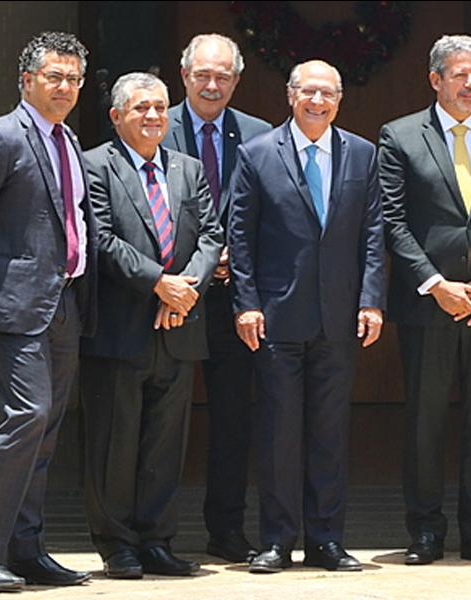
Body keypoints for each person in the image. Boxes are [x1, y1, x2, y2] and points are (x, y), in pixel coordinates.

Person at [0, 31, 95, 592]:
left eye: (73, 79)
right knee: (26, 416)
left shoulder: (69, 141)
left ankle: (26, 549)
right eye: (54, 76)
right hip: (14, 303)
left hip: (63, 303)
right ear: (27, 80)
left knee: (47, 429)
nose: (64, 87)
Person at [378, 34, 471, 566]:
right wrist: (435, 284)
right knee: (425, 423)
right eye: (460, 75)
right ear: (435, 80)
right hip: (428, 305)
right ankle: (424, 531)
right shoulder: (399, 136)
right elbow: (392, 221)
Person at [228, 59, 386, 574]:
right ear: (291, 95)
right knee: (278, 434)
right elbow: (241, 237)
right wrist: (246, 303)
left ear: (339, 100)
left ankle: (326, 541)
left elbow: (374, 235)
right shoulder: (256, 154)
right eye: (309, 92)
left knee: (329, 433)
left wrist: (371, 299)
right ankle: (276, 540)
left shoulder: (363, 155)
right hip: (276, 317)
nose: (318, 102)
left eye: (328, 94)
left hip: (339, 318)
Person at [79, 72, 222, 580]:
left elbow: (211, 234)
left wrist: (186, 289)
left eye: (160, 107)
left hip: (179, 326)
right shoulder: (95, 165)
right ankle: (117, 545)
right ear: (117, 115)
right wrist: (159, 283)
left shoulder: (187, 167)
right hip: (120, 330)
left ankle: (158, 541)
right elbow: (100, 237)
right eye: (141, 108)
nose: (153, 117)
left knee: (165, 443)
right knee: (115, 444)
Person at [162, 32, 272, 564]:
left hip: (235, 299)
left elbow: (270, 213)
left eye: (223, 76)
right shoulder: (156, 125)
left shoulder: (258, 135)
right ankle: (153, 530)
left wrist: (237, 262)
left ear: (236, 80)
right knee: (163, 417)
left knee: (233, 421)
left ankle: (226, 529)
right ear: (184, 76)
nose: (212, 84)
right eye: (203, 74)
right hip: (172, 296)